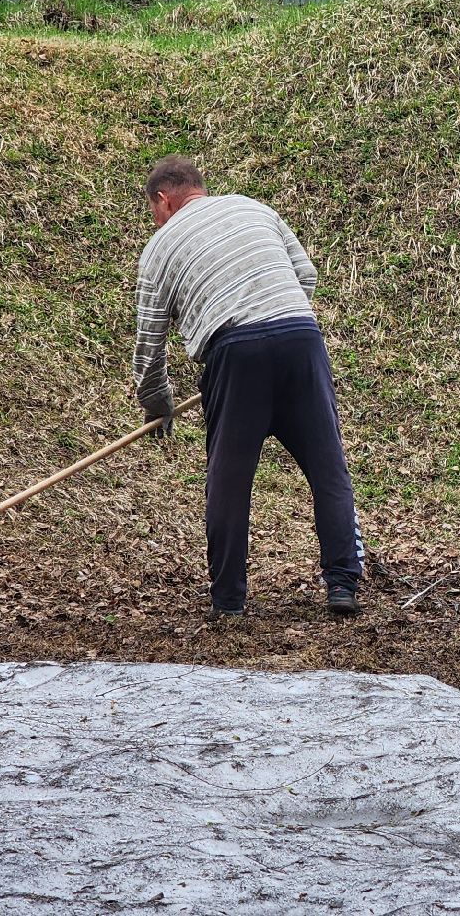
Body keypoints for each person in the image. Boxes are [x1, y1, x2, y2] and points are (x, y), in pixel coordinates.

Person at [132, 155, 368, 618]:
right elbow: (307, 277)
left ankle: (228, 601)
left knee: (229, 480)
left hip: (235, 354)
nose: (155, 221)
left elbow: (150, 340)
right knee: (328, 469)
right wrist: (276, 323)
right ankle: (343, 584)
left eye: (153, 211)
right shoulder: (254, 208)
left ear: (163, 199)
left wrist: (158, 403)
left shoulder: (160, 247)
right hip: (300, 337)